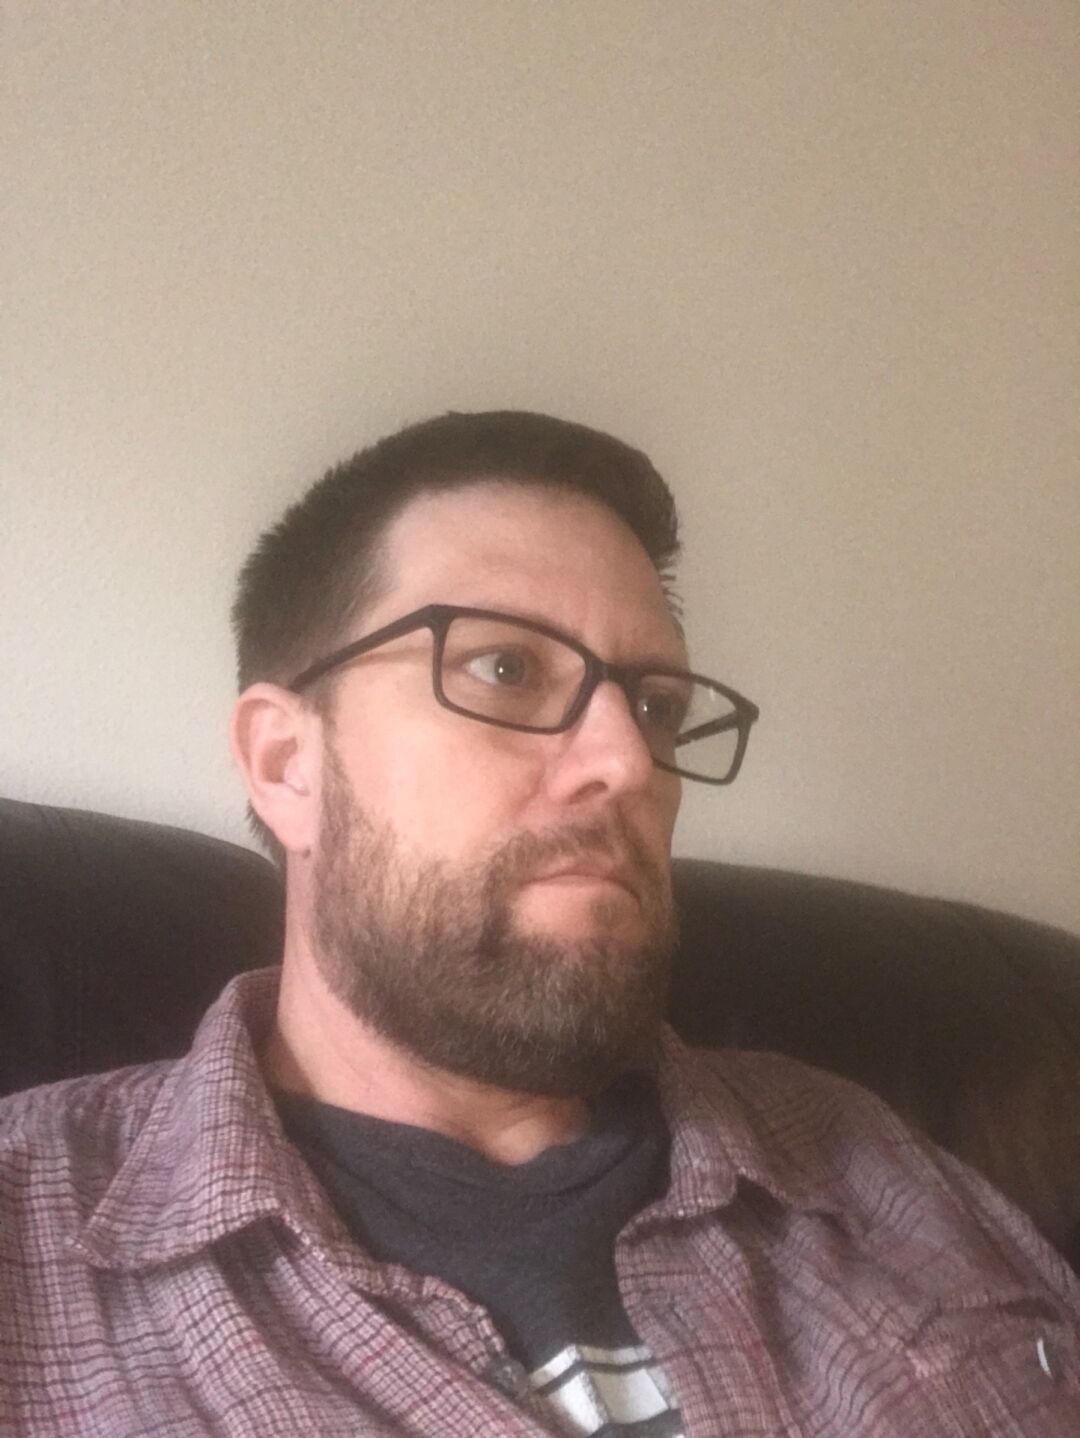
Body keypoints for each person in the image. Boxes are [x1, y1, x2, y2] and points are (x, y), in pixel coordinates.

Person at [1, 410, 1077, 1437]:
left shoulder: (869, 1159)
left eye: (654, 704)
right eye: (506, 667)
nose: (628, 762)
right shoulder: (29, 1246)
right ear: (289, 766)